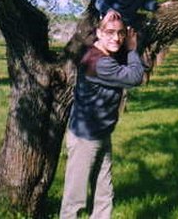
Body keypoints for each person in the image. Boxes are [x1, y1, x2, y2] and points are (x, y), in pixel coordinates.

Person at [60, 11, 145, 219]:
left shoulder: (103, 53)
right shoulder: (100, 63)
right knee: (75, 199)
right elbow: (134, 77)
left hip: (101, 132)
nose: (116, 38)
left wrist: (111, 8)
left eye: (121, 33)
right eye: (110, 32)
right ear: (98, 32)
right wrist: (133, 49)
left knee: (104, 194)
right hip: (85, 138)